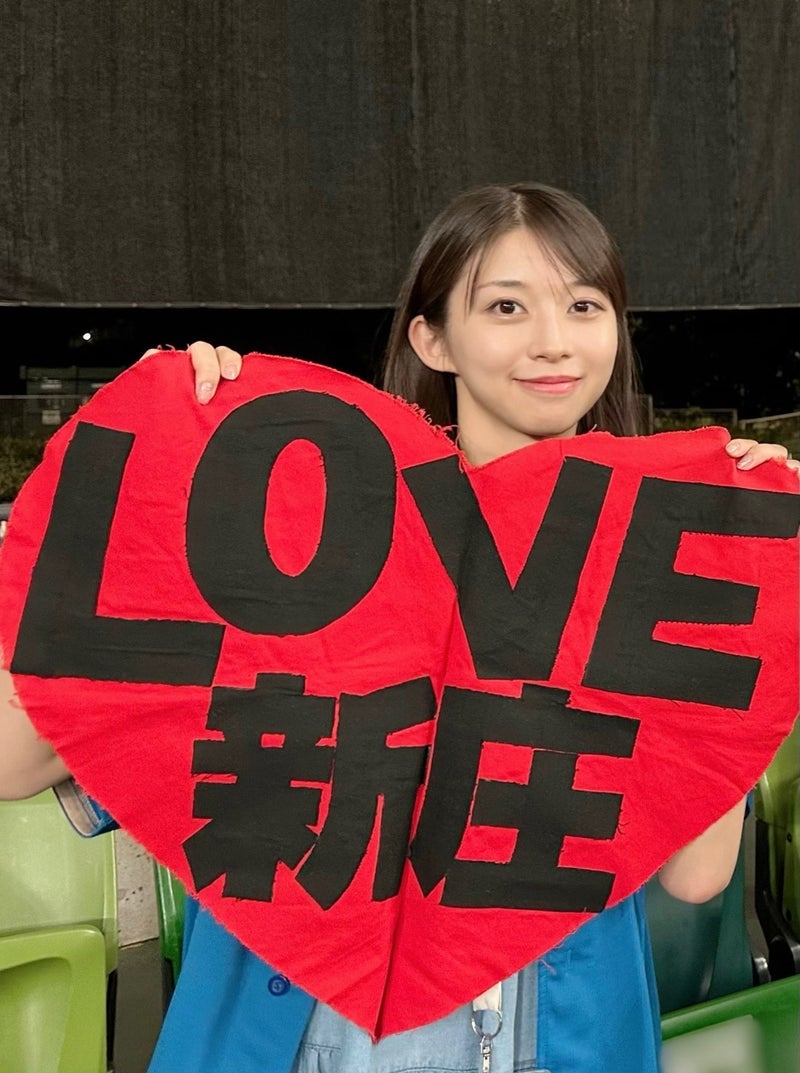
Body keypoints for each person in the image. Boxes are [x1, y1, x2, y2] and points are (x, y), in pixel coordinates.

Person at [0, 182, 796, 1073]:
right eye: (506, 306)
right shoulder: (299, 532)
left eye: (584, 305)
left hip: (555, 1039)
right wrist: (144, 470)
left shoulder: (650, 566)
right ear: (432, 338)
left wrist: (753, 586)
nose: (553, 341)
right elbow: (13, 760)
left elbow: (696, 874)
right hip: (298, 1037)